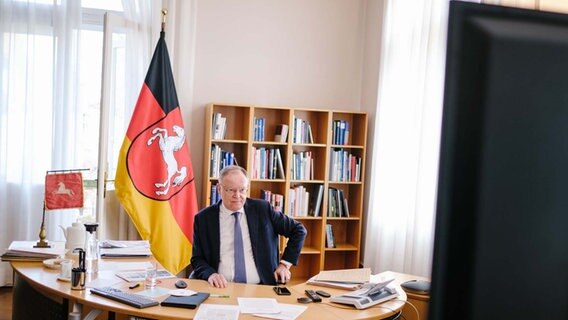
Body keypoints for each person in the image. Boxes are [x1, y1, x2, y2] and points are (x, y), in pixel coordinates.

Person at [191, 165, 307, 288]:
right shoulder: (203, 219)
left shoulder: (263, 210)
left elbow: (299, 230)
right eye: (231, 190)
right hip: (220, 287)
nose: (237, 195)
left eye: (242, 190)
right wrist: (211, 274)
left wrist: (284, 265)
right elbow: (197, 258)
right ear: (219, 189)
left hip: (261, 287)